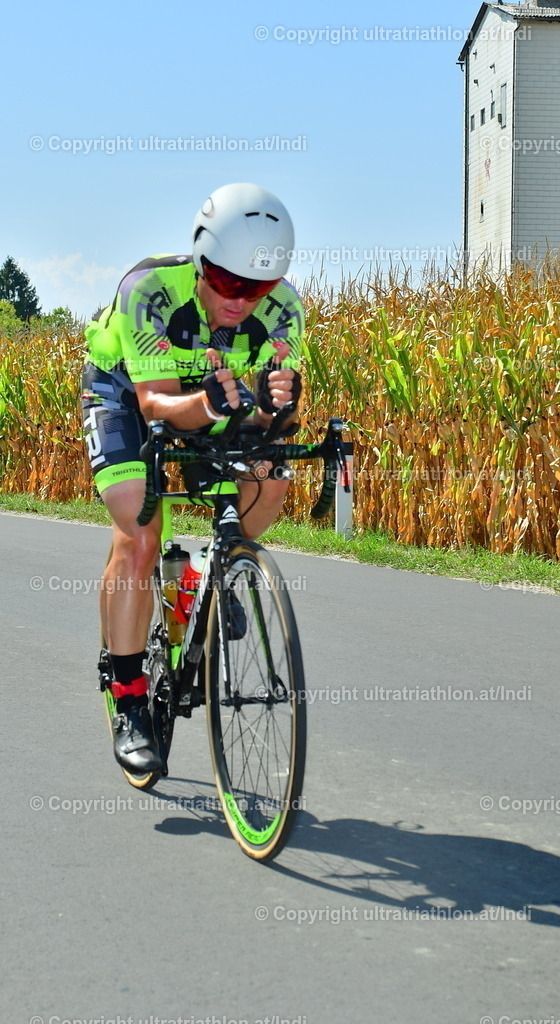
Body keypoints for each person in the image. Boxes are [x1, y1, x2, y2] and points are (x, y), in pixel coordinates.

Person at [82, 182, 303, 774]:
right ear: (203, 262)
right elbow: (156, 403)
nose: (242, 301)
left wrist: (276, 409)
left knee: (272, 473)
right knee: (140, 533)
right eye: (229, 282)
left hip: (211, 394)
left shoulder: (284, 309)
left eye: (258, 287)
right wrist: (210, 405)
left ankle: (214, 568)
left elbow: (271, 414)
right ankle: (129, 698)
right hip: (126, 392)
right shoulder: (150, 289)